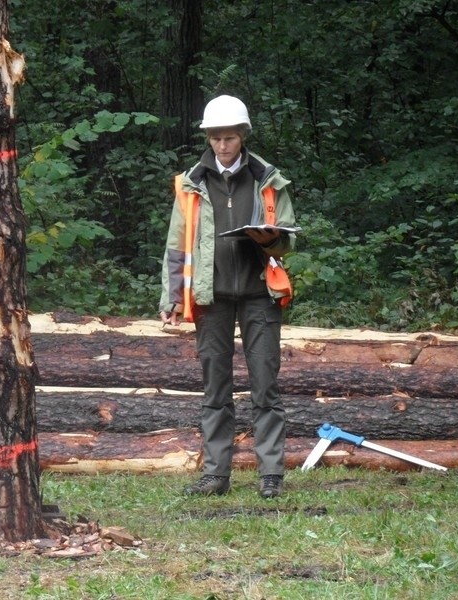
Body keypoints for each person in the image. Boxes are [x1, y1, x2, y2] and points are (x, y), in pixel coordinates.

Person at [159, 95, 297, 499]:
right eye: (216, 137)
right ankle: (216, 475)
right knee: (214, 389)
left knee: (265, 386)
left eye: (230, 137)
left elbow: (288, 238)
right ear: (207, 137)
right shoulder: (191, 184)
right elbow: (176, 247)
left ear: (243, 136)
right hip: (210, 296)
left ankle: (270, 474)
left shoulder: (268, 179)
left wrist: (273, 239)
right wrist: (171, 298)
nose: (223, 145)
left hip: (260, 295)